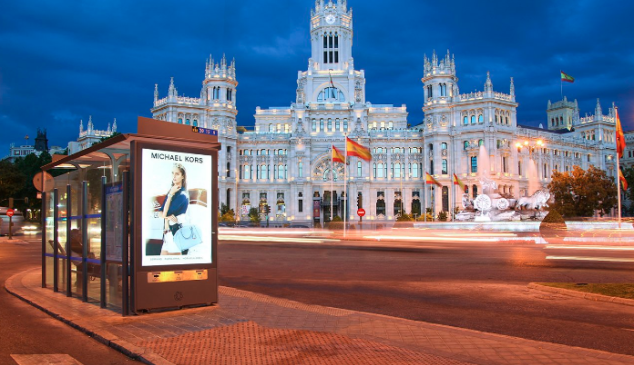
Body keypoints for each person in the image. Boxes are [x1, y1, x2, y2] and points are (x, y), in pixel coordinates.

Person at [159, 163, 189, 255]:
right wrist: (170, 194)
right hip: (167, 234)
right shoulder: (172, 191)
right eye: (173, 173)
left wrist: (170, 195)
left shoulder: (182, 194)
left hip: (174, 234)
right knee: (162, 264)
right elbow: (161, 213)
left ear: (182, 176)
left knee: (173, 265)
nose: (174, 176)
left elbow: (164, 214)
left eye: (177, 174)